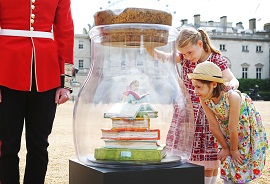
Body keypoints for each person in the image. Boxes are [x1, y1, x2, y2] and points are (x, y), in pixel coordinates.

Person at [0, 0, 74, 183]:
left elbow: (65, 30)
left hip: (47, 76)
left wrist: (65, 83)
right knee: (6, 146)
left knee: (39, 146)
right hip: (6, 71)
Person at [164, 26, 239, 184]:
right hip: (186, 112)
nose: (186, 56)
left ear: (200, 44)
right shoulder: (185, 57)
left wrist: (231, 86)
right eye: (183, 53)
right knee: (188, 157)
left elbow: (233, 79)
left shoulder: (216, 59)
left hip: (208, 113)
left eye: (189, 52)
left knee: (210, 158)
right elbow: (163, 57)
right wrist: (149, 45)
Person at [187, 61, 268, 184]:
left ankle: (242, 180)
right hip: (226, 128)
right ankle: (228, 180)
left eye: (199, 87)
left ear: (214, 84)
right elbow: (213, 125)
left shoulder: (232, 97)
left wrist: (234, 150)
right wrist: (225, 147)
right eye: (194, 86)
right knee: (226, 157)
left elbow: (233, 127)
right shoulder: (204, 99)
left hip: (243, 127)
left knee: (240, 157)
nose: (195, 91)